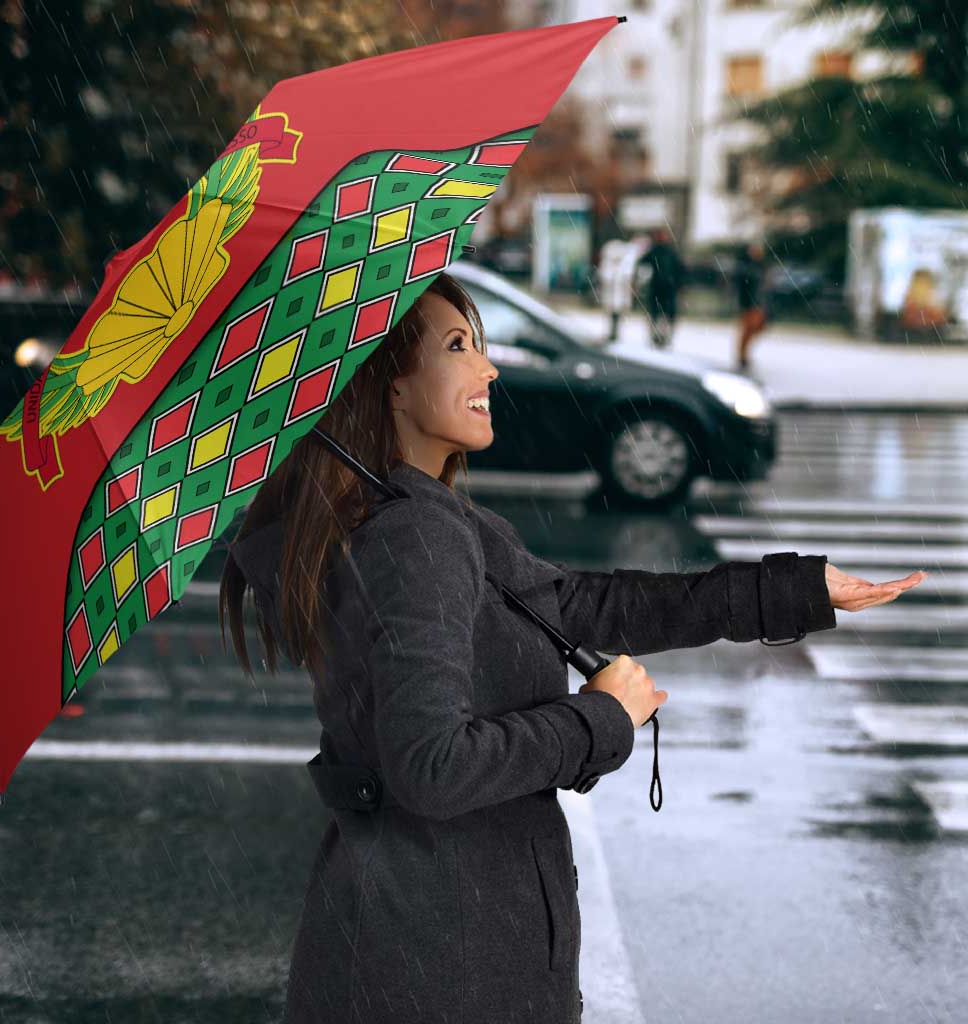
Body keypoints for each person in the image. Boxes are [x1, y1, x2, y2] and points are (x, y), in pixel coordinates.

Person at [220, 272, 926, 1024]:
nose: (488, 368)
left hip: (422, 944)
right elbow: (431, 767)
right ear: (391, 387)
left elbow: (588, 606)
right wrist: (599, 719)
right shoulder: (414, 537)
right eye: (459, 346)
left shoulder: (423, 520)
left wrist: (793, 590)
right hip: (441, 963)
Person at [636, 226, 686, 349]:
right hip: (659, 288)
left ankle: (663, 337)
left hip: (667, 288)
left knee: (664, 315)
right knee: (657, 314)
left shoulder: (669, 252)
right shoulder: (656, 251)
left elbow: (680, 270)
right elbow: (642, 264)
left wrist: (679, 284)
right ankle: (657, 337)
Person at [734, 239, 770, 370]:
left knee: (756, 328)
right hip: (749, 303)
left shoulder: (761, 266)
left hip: (758, 303)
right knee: (748, 329)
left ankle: (743, 354)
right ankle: (742, 355)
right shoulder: (746, 267)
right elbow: (743, 286)